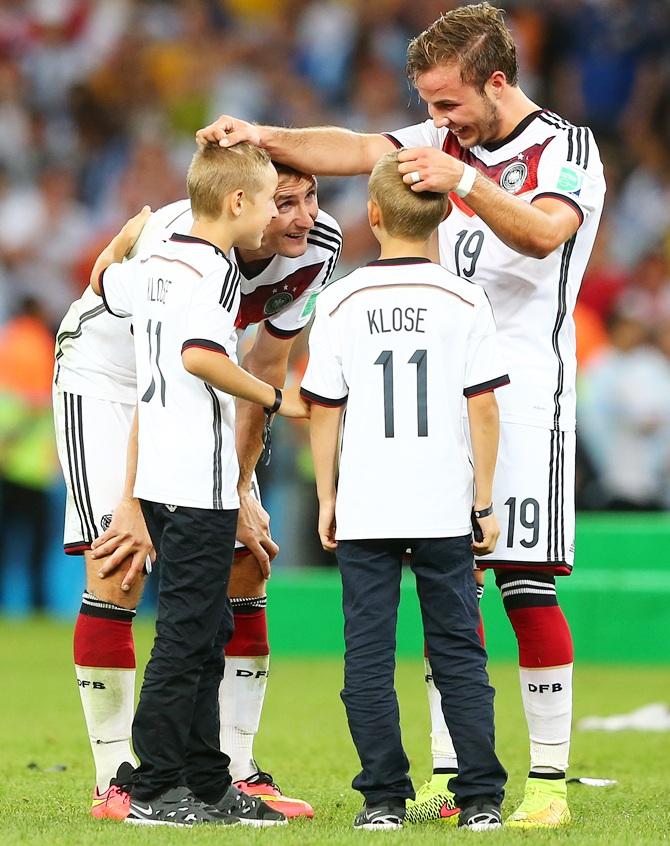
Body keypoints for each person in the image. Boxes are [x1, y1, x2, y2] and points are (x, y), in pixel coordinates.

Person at [197, 0, 606, 828]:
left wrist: (469, 183)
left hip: (522, 395)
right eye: (426, 104)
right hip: (445, 399)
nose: (435, 121)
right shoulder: (444, 136)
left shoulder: (564, 147)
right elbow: (350, 148)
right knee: (450, 591)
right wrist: (264, 138)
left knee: (523, 581)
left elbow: (541, 236)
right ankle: (451, 779)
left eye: (449, 103)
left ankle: (551, 785)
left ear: (497, 82)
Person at [53, 163, 340, 819]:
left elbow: (266, 358)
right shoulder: (188, 241)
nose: (302, 217)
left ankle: (232, 772)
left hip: (197, 384)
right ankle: (116, 779)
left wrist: (239, 488)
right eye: (284, 201)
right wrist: (133, 500)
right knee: (120, 562)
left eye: (310, 198)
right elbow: (141, 314)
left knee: (247, 558)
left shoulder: (315, 249)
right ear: (244, 202)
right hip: (108, 376)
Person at [300, 150, 508, 831]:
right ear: (444, 212)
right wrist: (483, 499)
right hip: (442, 499)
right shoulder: (465, 297)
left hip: (368, 503)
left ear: (373, 214)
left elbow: (324, 407)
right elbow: (483, 407)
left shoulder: (339, 299)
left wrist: (327, 497)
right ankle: (479, 800)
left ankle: (383, 800)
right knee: (458, 652)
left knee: (367, 653)